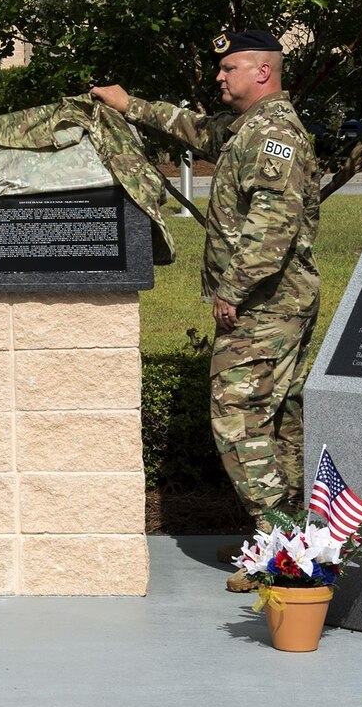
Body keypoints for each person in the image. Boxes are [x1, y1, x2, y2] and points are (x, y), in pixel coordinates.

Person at [90, 29, 320, 591]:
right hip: (276, 304)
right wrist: (128, 105)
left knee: (236, 418)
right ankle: (285, 539)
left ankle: (279, 551)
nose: (220, 76)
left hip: (266, 305)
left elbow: (272, 228)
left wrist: (232, 291)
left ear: (263, 72)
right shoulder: (246, 130)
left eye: (230, 68)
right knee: (278, 418)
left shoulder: (275, 138)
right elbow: (193, 129)